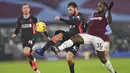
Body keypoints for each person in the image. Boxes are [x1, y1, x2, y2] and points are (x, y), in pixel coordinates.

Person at [52, 1, 117, 73]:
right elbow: (90, 23)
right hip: (89, 35)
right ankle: (58, 49)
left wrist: (109, 11)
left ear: (105, 8)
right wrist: (84, 24)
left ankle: (113, 72)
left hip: (98, 38)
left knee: (102, 58)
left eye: (100, 6)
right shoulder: (94, 14)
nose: (98, 7)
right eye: (98, 6)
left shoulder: (105, 14)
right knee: (74, 38)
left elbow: (109, 21)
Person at [35, 2, 87, 73]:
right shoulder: (71, 16)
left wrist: (60, 19)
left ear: (76, 9)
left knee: (69, 59)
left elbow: (74, 22)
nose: (69, 12)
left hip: (77, 38)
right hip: (69, 35)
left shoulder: (79, 16)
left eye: (70, 10)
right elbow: (71, 23)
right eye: (68, 10)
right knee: (59, 34)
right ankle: (42, 50)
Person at [12, 4, 49, 73]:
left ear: (29, 9)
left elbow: (42, 28)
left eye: (27, 8)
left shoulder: (34, 18)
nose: (25, 9)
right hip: (23, 38)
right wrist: (15, 34)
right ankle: (36, 70)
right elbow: (17, 28)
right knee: (28, 56)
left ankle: (34, 59)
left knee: (26, 52)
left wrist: (47, 36)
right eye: (24, 8)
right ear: (22, 10)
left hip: (32, 37)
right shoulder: (20, 19)